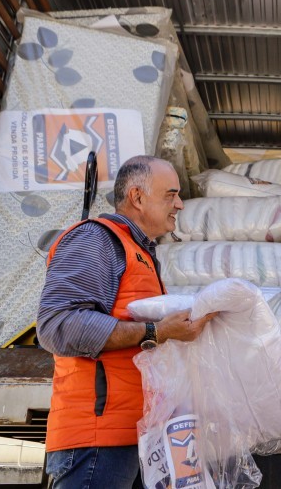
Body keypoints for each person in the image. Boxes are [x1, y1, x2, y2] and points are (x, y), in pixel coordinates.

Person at [37, 156, 216, 489]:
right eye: (170, 194)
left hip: (128, 435)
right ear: (137, 197)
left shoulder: (140, 252)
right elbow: (56, 323)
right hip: (95, 440)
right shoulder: (96, 240)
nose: (179, 203)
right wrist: (157, 332)